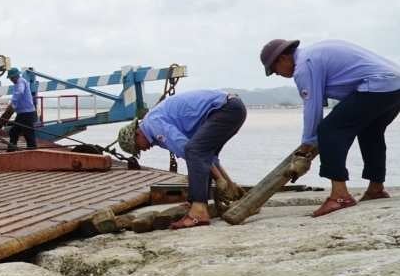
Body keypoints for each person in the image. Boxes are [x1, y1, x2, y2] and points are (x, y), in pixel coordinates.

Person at [261, 38, 400, 217]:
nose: (277, 75)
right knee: (370, 132)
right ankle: (376, 188)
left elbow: (312, 108)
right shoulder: (314, 53)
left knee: (328, 130)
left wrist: (306, 147)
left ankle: (339, 195)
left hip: (378, 84)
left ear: (282, 59)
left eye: (274, 70)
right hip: (394, 85)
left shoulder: (303, 66)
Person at [117, 90, 247, 229]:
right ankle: (238, 200)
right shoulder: (154, 125)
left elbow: (189, 150)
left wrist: (220, 179)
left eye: (137, 147)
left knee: (193, 151)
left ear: (137, 134)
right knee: (198, 152)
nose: (142, 150)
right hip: (232, 108)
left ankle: (198, 212)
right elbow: (207, 157)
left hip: (225, 109)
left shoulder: (153, 124)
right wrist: (227, 183)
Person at [6, 67, 38, 152]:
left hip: (27, 113)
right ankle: (12, 149)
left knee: (28, 134)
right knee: (14, 131)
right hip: (22, 113)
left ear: (16, 76)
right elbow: (18, 95)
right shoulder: (18, 83)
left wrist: (12, 104)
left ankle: (32, 152)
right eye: (10, 78)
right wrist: (13, 105)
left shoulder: (21, 82)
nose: (11, 80)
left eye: (11, 78)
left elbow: (19, 92)